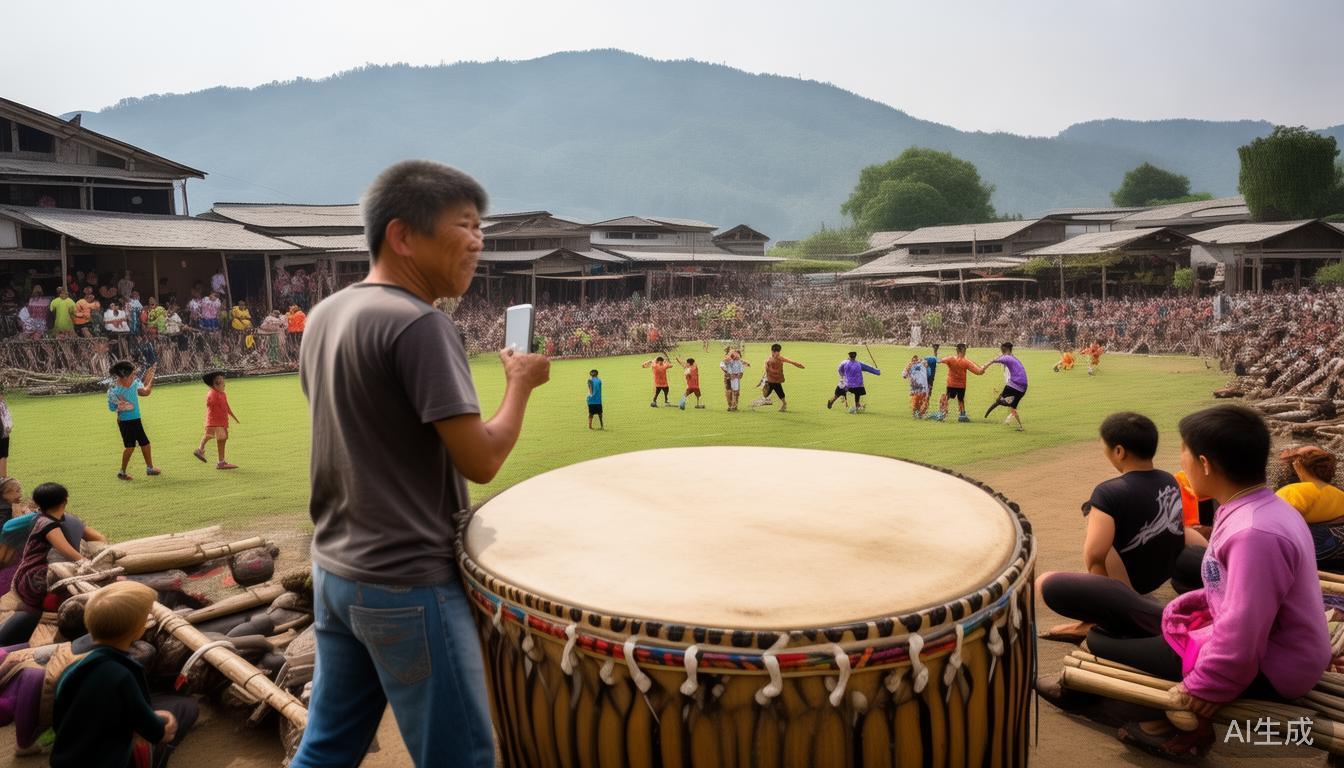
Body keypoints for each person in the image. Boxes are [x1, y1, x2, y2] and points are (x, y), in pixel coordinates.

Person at [292, 160, 549, 768]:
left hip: (336, 571)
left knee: (326, 751)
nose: (478, 242)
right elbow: (482, 460)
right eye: (464, 225)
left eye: (481, 228)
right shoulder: (421, 324)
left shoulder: (327, 313)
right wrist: (520, 384)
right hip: (405, 583)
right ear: (403, 235)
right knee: (461, 757)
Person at [1037, 405, 1332, 761]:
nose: (1182, 460)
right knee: (1115, 609)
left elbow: (1244, 632)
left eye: (1184, 452)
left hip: (1272, 665)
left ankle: (1158, 721)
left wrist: (1207, 686)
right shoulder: (1256, 508)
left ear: (1204, 463)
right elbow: (1238, 601)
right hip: (1241, 636)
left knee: (1101, 639)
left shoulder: (1255, 533)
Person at [1036, 413, 1184, 643]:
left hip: (1129, 587)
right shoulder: (1169, 480)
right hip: (1159, 574)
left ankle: (1099, 620)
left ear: (1119, 451)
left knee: (1044, 583)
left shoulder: (1108, 492)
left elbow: (1095, 556)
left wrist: (1102, 601)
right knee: (1099, 515)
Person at [51, 580, 198, 768]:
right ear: (138, 630)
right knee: (185, 709)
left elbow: (59, 720)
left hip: (65, 760)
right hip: (109, 762)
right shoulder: (124, 674)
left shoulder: (72, 669)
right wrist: (164, 724)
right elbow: (150, 729)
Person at [0, 483, 104, 645]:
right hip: (35, 577)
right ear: (64, 501)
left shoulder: (41, 519)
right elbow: (68, 551)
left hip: (30, 575)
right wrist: (90, 565)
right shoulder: (49, 525)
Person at [1275, 445, 1344, 569]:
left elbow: (1275, 526)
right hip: (1336, 554)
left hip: (1308, 555)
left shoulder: (1293, 492)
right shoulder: (1340, 494)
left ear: (1298, 466)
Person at [107, 360, 160, 481]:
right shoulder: (113, 391)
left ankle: (150, 468)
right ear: (123, 377)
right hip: (125, 422)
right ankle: (122, 472)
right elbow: (111, 408)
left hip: (136, 420)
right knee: (130, 447)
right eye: (132, 375)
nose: (134, 377)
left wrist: (150, 378)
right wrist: (119, 406)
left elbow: (145, 391)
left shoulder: (133, 384)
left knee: (145, 443)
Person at [193, 371, 240, 470]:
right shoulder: (212, 393)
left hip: (222, 421)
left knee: (223, 438)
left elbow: (227, 407)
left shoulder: (222, 394)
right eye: (222, 384)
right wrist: (212, 399)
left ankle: (221, 462)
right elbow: (209, 403)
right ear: (215, 385)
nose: (224, 385)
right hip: (214, 421)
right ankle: (200, 449)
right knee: (211, 435)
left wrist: (234, 417)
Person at [982, 342, 1028, 431]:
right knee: (1013, 407)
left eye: (1001, 349)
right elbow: (1002, 357)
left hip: (1014, 384)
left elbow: (994, 360)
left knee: (999, 400)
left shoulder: (1007, 357)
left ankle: (1003, 403)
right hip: (1023, 387)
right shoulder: (1012, 357)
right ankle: (1020, 427)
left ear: (1004, 349)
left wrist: (984, 367)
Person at [936, 343, 984, 422]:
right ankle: (962, 415)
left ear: (957, 350)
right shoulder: (966, 361)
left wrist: (935, 351)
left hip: (951, 384)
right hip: (961, 385)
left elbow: (938, 361)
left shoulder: (950, 358)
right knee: (961, 400)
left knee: (947, 397)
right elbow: (978, 372)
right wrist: (983, 368)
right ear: (964, 350)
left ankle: (942, 414)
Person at [756, 343, 803, 412]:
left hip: (776, 379)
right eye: (776, 352)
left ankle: (780, 403)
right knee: (770, 391)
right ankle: (778, 403)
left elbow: (791, 362)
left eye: (778, 352)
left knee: (776, 391)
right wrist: (761, 380)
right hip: (770, 379)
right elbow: (766, 370)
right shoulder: (768, 359)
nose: (777, 354)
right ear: (772, 351)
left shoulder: (780, 358)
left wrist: (798, 365)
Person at [902, 355, 929, 419]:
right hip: (915, 389)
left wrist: (923, 361)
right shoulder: (909, 366)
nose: (915, 362)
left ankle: (922, 414)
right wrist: (908, 368)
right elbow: (904, 376)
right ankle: (916, 414)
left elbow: (927, 365)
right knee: (915, 403)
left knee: (923, 402)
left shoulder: (923, 364)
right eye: (913, 360)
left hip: (923, 388)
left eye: (916, 360)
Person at [922, 344, 940, 417]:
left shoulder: (929, 367)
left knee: (926, 396)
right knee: (926, 396)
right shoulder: (930, 366)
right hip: (927, 382)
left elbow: (936, 360)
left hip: (928, 382)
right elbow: (936, 359)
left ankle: (924, 409)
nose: (925, 363)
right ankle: (923, 409)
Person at [0, 387, 10, 477]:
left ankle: (3, 479)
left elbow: (7, 415)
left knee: (3, 455)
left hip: (3, 434)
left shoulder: (2, 404)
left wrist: (8, 426)